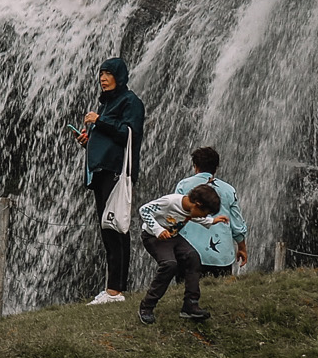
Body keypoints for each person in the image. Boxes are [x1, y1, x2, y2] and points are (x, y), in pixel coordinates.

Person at [79, 56, 144, 305]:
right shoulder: (107, 104)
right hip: (101, 171)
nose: (103, 79)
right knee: (108, 230)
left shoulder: (131, 102)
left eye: (108, 73)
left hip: (116, 172)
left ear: (120, 76)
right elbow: (109, 134)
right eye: (101, 74)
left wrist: (99, 122)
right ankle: (112, 288)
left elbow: (129, 134)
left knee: (116, 228)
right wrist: (89, 138)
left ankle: (115, 290)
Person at [136, 182, 225, 324]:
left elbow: (195, 216)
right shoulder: (170, 202)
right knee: (169, 264)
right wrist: (158, 230)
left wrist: (212, 221)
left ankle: (190, 305)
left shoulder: (191, 208)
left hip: (173, 236)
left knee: (193, 257)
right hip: (153, 237)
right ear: (197, 203)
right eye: (205, 212)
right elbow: (144, 210)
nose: (204, 216)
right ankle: (146, 307)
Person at [175, 146, 248, 277]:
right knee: (219, 294)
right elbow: (237, 224)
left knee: (186, 293)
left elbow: (176, 216)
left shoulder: (183, 185)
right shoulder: (228, 190)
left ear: (195, 166)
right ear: (216, 167)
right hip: (221, 256)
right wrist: (242, 247)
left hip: (189, 252)